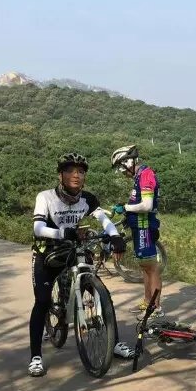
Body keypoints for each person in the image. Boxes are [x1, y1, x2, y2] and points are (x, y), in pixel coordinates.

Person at [28, 152, 134, 377]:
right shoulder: (45, 197)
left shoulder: (88, 199)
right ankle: (36, 356)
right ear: (60, 175)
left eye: (81, 171)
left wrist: (114, 236)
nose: (76, 175)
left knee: (99, 290)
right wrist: (61, 232)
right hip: (47, 252)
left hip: (71, 248)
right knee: (42, 301)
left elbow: (103, 219)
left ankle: (114, 342)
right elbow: (37, 228)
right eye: (70, 170)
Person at [110, 144, 163, 317]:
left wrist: (126, 207)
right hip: (139, 227)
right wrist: (126, 208)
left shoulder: (146, 175)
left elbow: (146, 205)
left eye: (120, 166)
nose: (120, 171)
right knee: (145, 267)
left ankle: (156, 308)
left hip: (145, 227)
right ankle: (148, 302)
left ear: (129, 162)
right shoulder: (139, 176)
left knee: (151, 268)